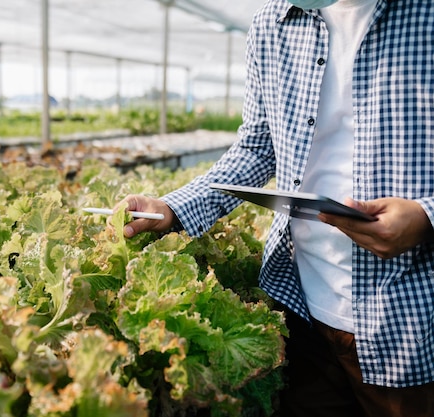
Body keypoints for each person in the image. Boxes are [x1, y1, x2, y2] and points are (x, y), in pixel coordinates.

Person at [114, 0, 434, 416]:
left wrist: (427, 216)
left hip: (406, 318)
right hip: (300, 301)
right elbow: (257, 147)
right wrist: (172, 207)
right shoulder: (272, 23)